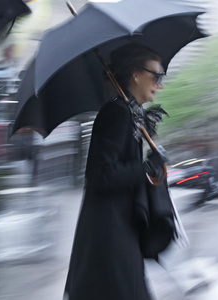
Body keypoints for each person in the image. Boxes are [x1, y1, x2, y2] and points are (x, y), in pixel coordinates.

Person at [64, 44, 167, 299]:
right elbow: (99, 176)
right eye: (156, 76)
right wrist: (144, 168)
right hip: (110, 233)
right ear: (135, 74)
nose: (160, 84)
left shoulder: (128, 113)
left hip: (119, 229)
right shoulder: (117, 113)